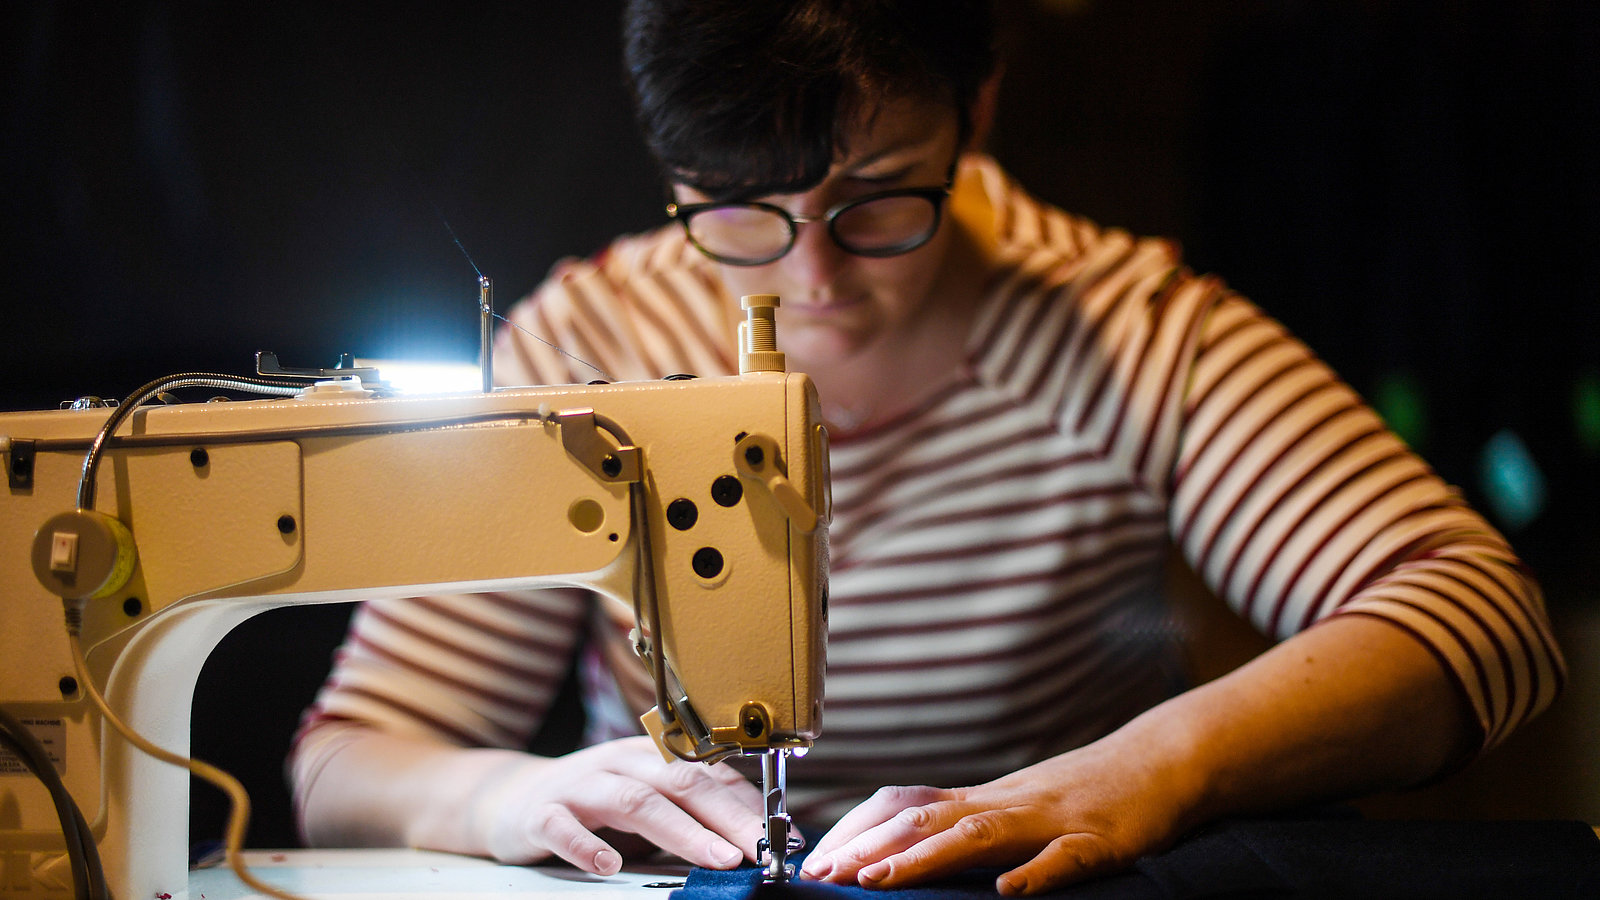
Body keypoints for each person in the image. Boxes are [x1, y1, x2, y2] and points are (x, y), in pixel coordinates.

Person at [289, 1, 1566, 894]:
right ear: (672, 166)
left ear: (979, 109)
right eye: (737, 211)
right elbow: (351, 759)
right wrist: (505, 799)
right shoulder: (590, 342)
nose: (806, 279)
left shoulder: (1121, 333)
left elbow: (1478, 616)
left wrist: (1136, 774)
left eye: (878, 197)